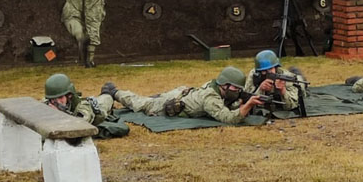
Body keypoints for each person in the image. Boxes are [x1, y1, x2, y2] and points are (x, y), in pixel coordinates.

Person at [113, 67, 266, 124]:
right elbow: (228, 119)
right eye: (235, 88)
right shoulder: (211, 98)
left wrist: (240, 102)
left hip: (183, 93)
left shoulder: (216, 86)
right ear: (224, 85)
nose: (237, 91)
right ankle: (113, 91)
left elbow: (228, 103)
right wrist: (248, 105)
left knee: (152, 98)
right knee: (141, 103)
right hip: (172, 103)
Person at [43, 73, 128, 136]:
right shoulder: (48, 104)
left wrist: (60, 115)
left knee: (105, 100)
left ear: (69, 95)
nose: (57, 101)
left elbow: (80, 126)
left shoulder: (83, 107)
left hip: (100, 109)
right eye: (53, 99)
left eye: (61, 97)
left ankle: (109, 92)